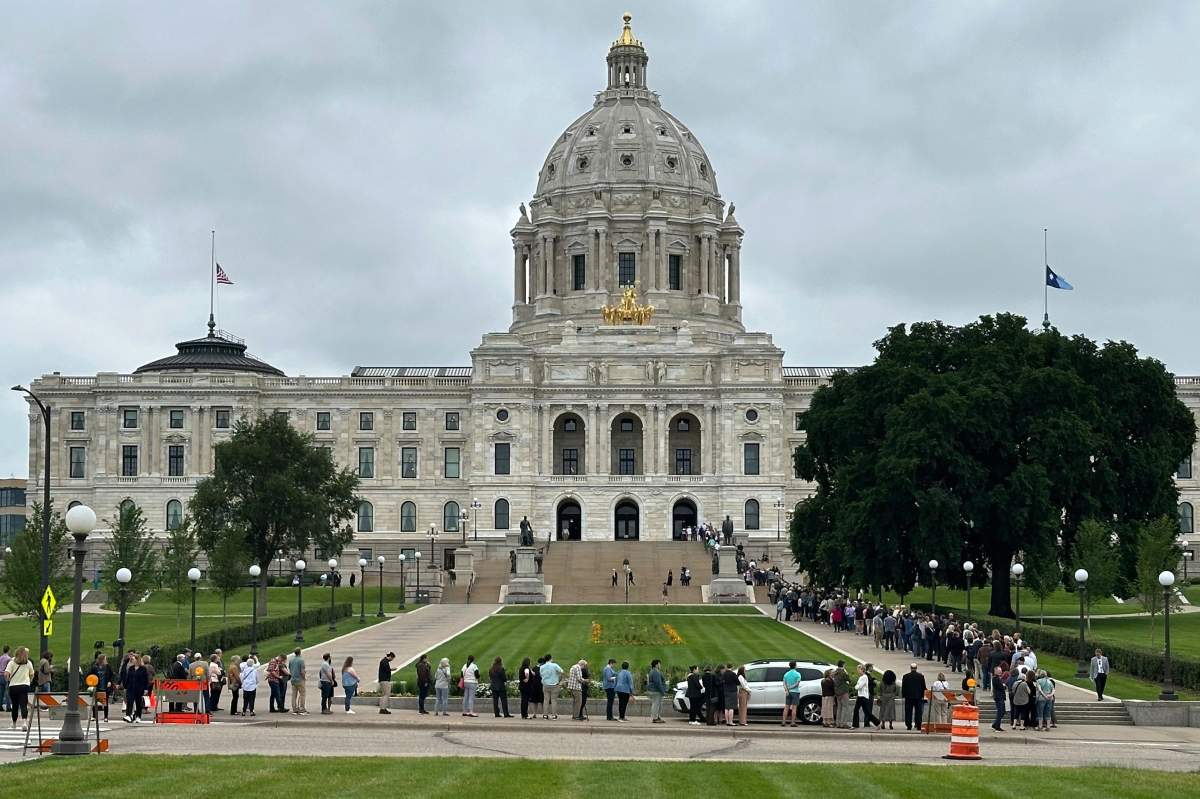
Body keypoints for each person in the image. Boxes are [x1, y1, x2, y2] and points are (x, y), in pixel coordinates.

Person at [5, 647, 33, 730]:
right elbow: (32, 674)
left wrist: (8, 680)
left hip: (13, 686)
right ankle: (24, 722)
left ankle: (14, 724)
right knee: (23, 704)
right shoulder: (28, 663)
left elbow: (6, 674)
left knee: (15, 705)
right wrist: (29, 682)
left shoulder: (12, 662)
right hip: (24, 685)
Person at [122, 653, 148, 723]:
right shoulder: (131, 668)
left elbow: (146, 679)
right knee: (129, 701)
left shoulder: (143, 669)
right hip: (130, 687)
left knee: (138, 703)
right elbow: (128, 678)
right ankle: (128, 715)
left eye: (133, 659)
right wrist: (125, 687)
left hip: (139, 688)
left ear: (137, 660)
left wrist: (146, 689)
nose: (132, 660)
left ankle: (138, 716)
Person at [900, 663, 927, 732]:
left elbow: (904, 687)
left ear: (910, 668)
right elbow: (923, 687)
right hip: (918, 697)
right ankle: (918, 725)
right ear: (916, 668)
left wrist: (903, 695)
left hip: (908, 697)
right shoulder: (921, 676)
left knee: (908, 712)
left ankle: (909, 725)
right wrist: (923, 696)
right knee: (918, 712)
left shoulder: (905, 676)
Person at [89, 653, 114, 722]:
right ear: (102, 659)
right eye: (105, 659)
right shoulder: (94, 667)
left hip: (105, 686)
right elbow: (90, 675)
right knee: (95, 702)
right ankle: (94, 716)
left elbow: (111, 675)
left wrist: (110, 681)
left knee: (105, 702)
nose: (106, 660)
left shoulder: (108, 666)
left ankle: (106, 717)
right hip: (97, 686)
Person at [853, 664, 878, 729]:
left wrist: (856, 686)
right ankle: (855, 725)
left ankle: (877, 722)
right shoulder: (861, 677)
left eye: (858, 669)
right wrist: (857, 686)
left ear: (862, 670)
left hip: (863, 696)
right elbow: (858, 686)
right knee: (864, 712)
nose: (857, 671)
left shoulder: (864, 677)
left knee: (865, 712)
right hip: (861, 696)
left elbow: (859, 686)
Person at [539, 654, 563, 719]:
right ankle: (554, 715)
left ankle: (545, 715)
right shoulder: (555, 665)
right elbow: (561, 672)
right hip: (554, 684)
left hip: (545, 684)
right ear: (550, 658)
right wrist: (559, 679)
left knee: (546, 700)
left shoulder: (542, 667)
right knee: (554, 700)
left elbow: (541, 675)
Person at [832, 660, 852, 729]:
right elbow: (849, 680)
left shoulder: (835, 672)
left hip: (837, 692)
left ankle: (838, 723)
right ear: (843, 665)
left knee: (839, 708)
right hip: (843, 692)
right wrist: (846, 673)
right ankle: (843, 723)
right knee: (845, 708)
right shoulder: (843, 673)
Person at [781, 660, 802, 727]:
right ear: (795, 665)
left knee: (786, 707)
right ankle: (792, 722)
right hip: (795, 692)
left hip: (788, 693)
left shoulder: (786, 674)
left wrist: (787, 690)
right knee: (794, 707)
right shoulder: (798, 674)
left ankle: (783, 722)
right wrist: (791, 688)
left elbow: (784, 683)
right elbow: (797, 683)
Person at [288, 648, 307, 715]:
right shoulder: (301, 660)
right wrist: (304, 677)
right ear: (300, 652)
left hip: (293, 679)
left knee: (294, 695)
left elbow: (290, 669)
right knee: (302, 694)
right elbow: (302, 671)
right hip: (300, 679)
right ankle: (302, 708)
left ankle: (294, 708)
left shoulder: (291, 660)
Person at [990, 666, 1007, 732]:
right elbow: (1000, 687)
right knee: (1000, 712)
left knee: (1002, 711)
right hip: (999, 697)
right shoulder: (995, 678)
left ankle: (995, 724)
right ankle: (997, 726)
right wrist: (1003, 686)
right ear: (996, 671)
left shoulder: (998, 678)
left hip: (1000, 697)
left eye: (1001, 670)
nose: (1001, 672)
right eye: (999, 671)